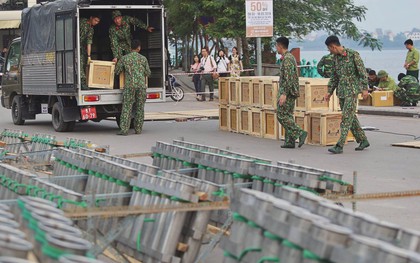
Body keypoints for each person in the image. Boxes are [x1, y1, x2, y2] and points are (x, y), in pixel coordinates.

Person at [323, 35, 370, 154]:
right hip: (342, 92)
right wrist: (329, 91)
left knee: (346, 118)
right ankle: (363, 140)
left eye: (329, 49)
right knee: (350, 117)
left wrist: (365, 89)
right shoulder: (335, 58)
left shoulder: (353, 55)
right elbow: (334, 77)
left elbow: (362, 73)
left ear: (333, 46)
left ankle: (339, 145)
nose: (329, 51)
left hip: (352, 91)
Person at [275, 37, 307, 149]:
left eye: (276, 46)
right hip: (290, 90)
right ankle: (290, 141)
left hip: (287, 91)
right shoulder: (289, 57)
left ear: (280, 46)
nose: (276, 48)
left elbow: (288, 78)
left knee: (281, 114)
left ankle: (299, 133)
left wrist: (284, 94)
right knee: (288, 115)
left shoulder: (287, 59)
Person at [114, 39, 151, 136]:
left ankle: (124, 130)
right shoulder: (143, 59)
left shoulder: (124, 58)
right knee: (140, 107)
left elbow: (117, 71)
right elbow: (148, 73)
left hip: (129, 86)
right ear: (139, 48)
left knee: (127, 107)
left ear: (130, 48)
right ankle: (138, 129)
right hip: (141, 86)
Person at [80, 14, 101, 90]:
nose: (96, 23)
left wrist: (89, 56)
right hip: (74, 45)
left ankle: (86, 82)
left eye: (98, 21)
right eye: (95, 20)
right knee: (80, 64)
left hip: (81, 47)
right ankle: (82, 83)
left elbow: (89, 42)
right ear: (91, 17)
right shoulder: (81, 22)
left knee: (84, 63)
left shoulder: (91, 29)